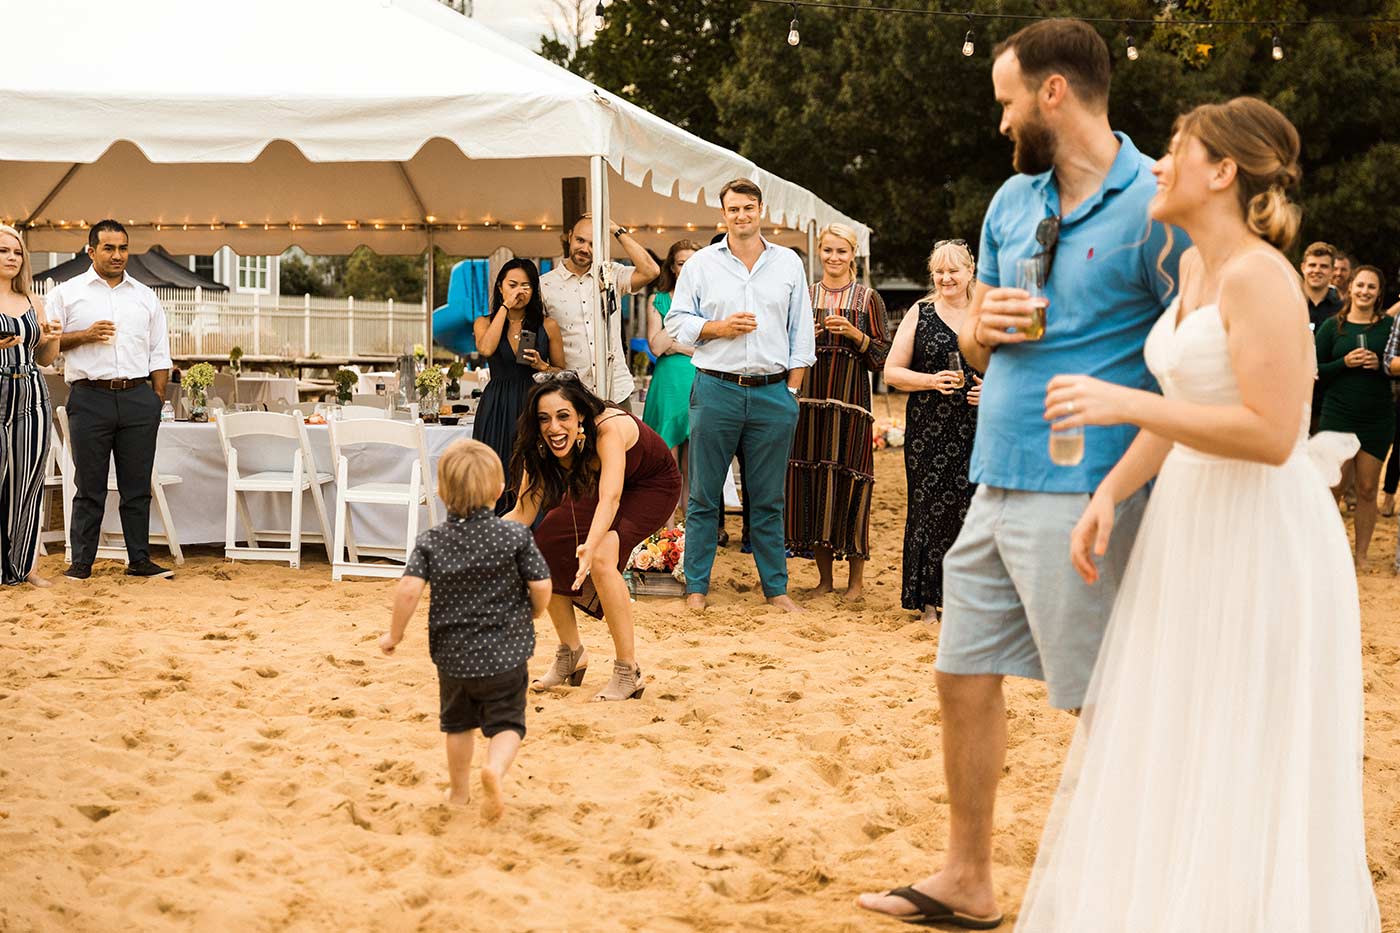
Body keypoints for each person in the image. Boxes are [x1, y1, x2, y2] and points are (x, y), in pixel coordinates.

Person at [1014, 96, 1381, 933]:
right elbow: (1180, 403)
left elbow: (1271, 431)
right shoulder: (1188, 270)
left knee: (1242, 729)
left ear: (1222, 171)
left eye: (1175, 149)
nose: (1154, 164)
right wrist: (1110, 492)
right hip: (1188, 524)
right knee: (1180, 722)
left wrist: (1113, 401)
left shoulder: (1263, 276)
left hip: (1262, 533)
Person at [858, 20, 1186, 927]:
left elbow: (1192, 354)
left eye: (1007, 99)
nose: (1000, 120)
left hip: (1083, 489)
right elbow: (974, 345)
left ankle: (1148, 890)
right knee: (962, 671)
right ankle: (969, 876)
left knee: (1099, 698)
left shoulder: (1157, 201)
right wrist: (978, 327)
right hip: (990, 479)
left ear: (1052, 93)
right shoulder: (1010, 203)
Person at [665, 178, 816, 614]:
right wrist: (718, 328)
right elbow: (677, 322)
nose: (742, 215)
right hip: (716, 388)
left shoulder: (788, 263)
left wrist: (792, 391)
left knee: (768, 498)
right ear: (723, 213)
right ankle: (696, 587)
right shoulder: (701, 265)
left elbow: (801, 333)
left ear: (760, 210)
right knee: (703, 496)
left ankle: (776, 589)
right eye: (734, 209)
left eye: (749, 208)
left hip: (773, 394)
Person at [378, 440, 551, 821]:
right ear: (497, 489)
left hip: (454, 657)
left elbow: (408, 590)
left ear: (441, 492)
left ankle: (459, 792)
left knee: (457, 726)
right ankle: (495, 770)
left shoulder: (431, 541)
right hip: (507, 654)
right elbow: (541, 586)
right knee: (507, 723)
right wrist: (535, 611)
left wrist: (394, 636)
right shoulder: (516, 537)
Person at [504, 374, 681, 701]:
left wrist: (589, 546)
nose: (554, 427)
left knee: (601, 558)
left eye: (563, 416)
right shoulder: (539, 446)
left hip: (651, 487)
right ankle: (571, 654)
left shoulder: (608, 430)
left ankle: (628, 672)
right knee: (543, 545)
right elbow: (523, 513)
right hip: (603, 487)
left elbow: (611, 499)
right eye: (544, 418)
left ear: (580, 415)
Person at [49, 220, 174, 580]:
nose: (117, 255)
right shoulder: (67, 294)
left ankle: (139, 560)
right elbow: (48, 346)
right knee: (89, 487)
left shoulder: (145, 296)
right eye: (109, 248)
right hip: (89, 398)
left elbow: (159, 353)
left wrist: (156, 399)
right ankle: (82, 563)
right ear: (91, 251)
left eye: (122, 248)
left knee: (137, 486)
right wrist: (86, 335)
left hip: (138, 398)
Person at [785, 223, 890, 599]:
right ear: (819, 252)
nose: (834, 258)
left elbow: (883, 357)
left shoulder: (868, 299)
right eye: (828, 250)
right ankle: (825, 581)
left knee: (852, 481)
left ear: (853, 254)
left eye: (841, 251)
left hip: (850, 405)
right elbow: (781, 348)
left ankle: (856, 584)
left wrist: (854, 334)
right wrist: (803, 338)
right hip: (811, 405)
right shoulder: (804, 295)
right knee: (813, 483)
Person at [884, 239, 982, 624]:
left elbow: (1018, 366)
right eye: (938, 272)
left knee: (974, 508)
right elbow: (892, 372)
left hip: (980, 427)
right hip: (929, 428)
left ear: (970, 272)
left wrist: (992, 389)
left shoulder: (986, 313)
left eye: (952, 271)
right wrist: (929, 380)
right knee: (928, 509)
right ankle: (927, 602)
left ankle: (969, 601)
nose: (945, 278)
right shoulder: (921, 312)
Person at [472, 259, 565, 512]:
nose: (519, 291)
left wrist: (542, 366)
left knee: (533, 470)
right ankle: (493, 530)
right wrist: (504, 308)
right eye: (512, 285)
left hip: (534, 402)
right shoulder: (484, 322)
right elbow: (487, 348)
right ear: (500, 287)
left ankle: (532, 532)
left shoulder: (548, 325)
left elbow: (563, 372)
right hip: (496, 405)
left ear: (534, 290)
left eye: (526, 286)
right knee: (494, 470)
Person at [1316, 266, 1394, 562]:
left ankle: (1360, 555)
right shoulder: (1332, 327)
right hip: (1338, 416)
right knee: (1333, 486)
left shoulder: (1388, 327)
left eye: (1371, 287)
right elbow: (1315, 371)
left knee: (1366, 488)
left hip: (1377, 417)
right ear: (1350, 289)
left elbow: (1396, 365)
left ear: (1378, 293)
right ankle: (1328, 553)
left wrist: (1383, 367)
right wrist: (1343, 363)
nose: (1364, 291)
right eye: (1360, 285)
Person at [539, 215, 660, 408]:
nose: (585, 249)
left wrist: (616, 230)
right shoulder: (544, 285)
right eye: (580, 240)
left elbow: (651, 271)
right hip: (572, 393)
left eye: (593, 244)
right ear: (569, 237)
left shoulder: (612, 274)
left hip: (616, 389)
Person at [0, 224, 62, 587]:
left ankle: (25, 568)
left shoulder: (33, 300)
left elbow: (45, 359)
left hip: (31, 394)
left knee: (28, 482)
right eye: (3, 251)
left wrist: (51, 338)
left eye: (17, 252)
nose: (11, 257)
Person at [642, 239, 703, 520]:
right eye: (681, 263)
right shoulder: (659, 300)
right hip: (668, 385)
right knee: (668, 462)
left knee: (695, 466)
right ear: (673, 267)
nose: (687, 268)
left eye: (693, 262)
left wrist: (675, 345)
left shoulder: (710, 301)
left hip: (699, 380)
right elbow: (655, 347)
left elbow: (712, 349)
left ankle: (690, 533)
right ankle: (666, 531)